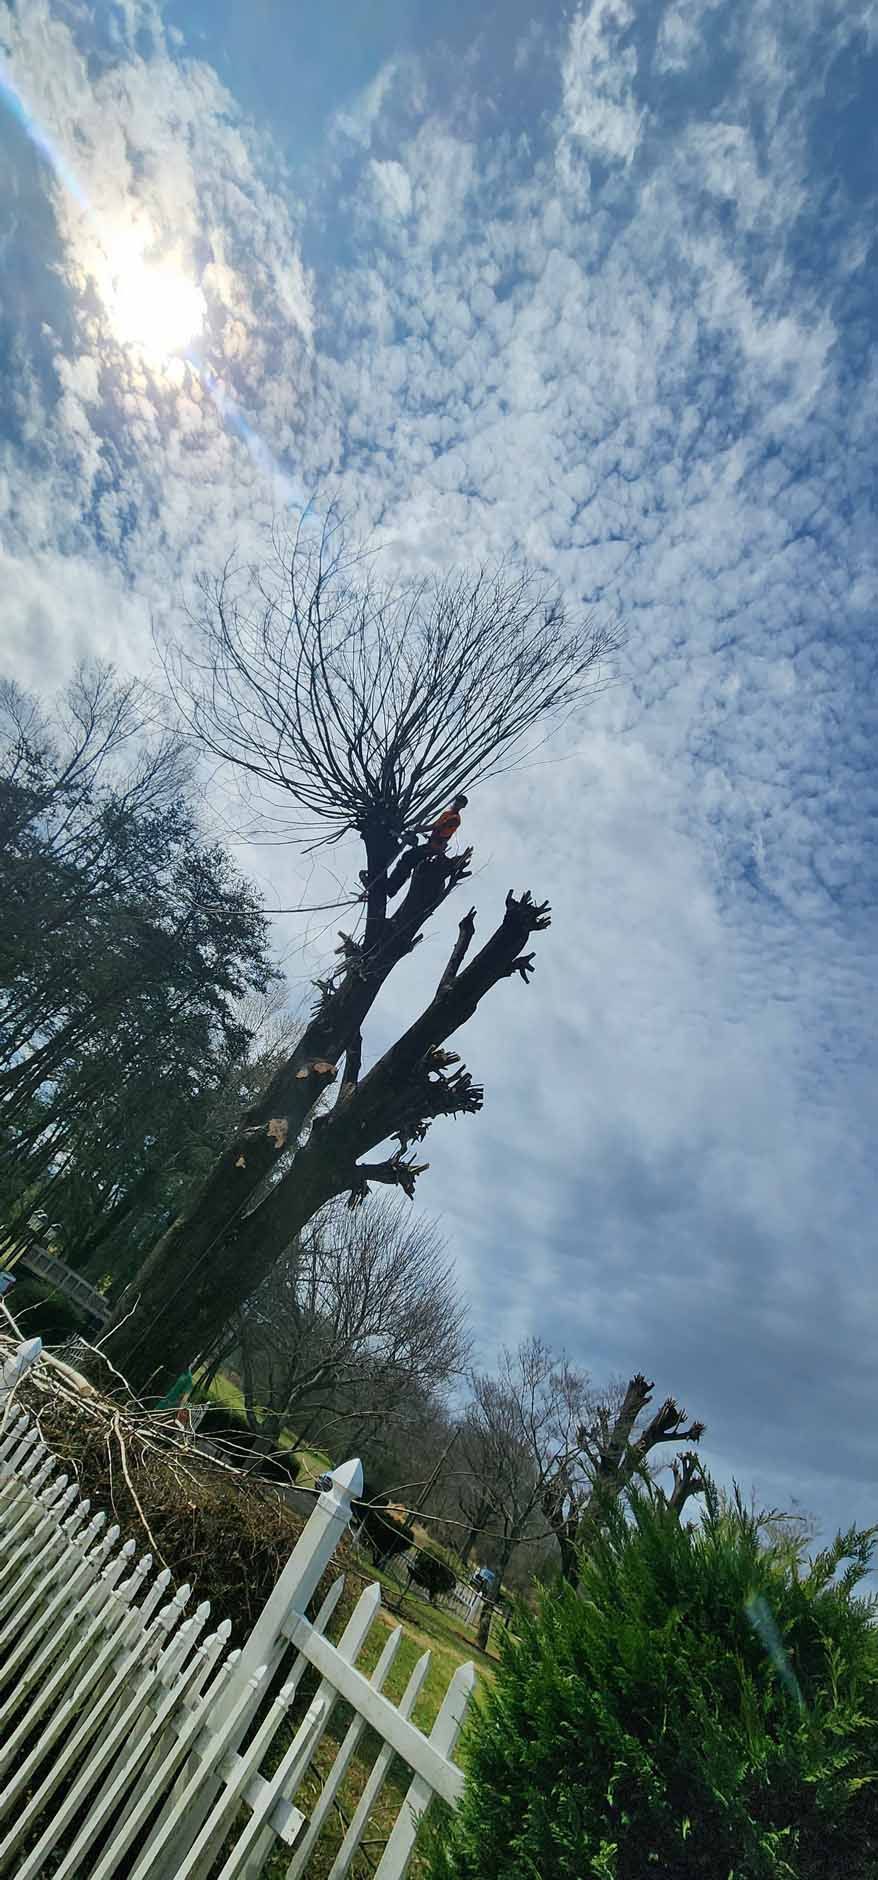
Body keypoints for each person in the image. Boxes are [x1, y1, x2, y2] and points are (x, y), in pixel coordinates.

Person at [359, 795, 468, 900]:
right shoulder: (447, 813)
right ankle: (391, 886)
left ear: (462, 806)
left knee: (408, 857)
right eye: (457, 801)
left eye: (460, 803)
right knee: (408, 858)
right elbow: (435, 826)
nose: (456, 804)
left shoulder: (455, 819)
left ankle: (391, 887)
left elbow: (437, 827)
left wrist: (421, 829)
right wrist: (422, 830)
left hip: (435, 847)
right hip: (431, 845)